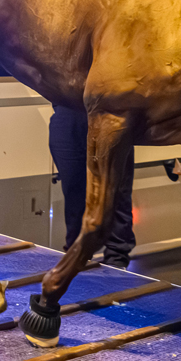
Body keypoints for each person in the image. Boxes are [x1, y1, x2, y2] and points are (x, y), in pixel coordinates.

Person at [49, 105, 136, 269]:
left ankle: (117, 261)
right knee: (74, 196)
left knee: (117, 193)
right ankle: (76, 257)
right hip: (66, 115)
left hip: (110, 116)